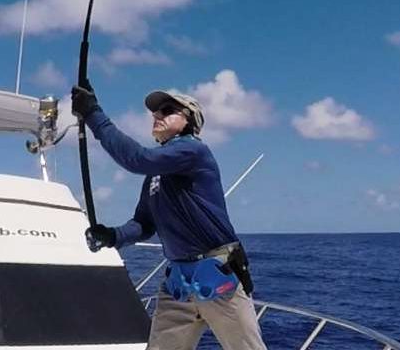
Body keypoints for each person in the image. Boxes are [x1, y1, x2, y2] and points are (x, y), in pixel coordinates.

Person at [72, 82, 267, 350]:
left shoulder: (193, 151)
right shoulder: (156, 175)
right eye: (155, 112)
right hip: (178, 287)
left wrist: (94, 114)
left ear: (190, 121)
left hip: (218, 281)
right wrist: (112, 236)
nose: (157, 115)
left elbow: (137, 159)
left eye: (167, 110)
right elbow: (144, 224)